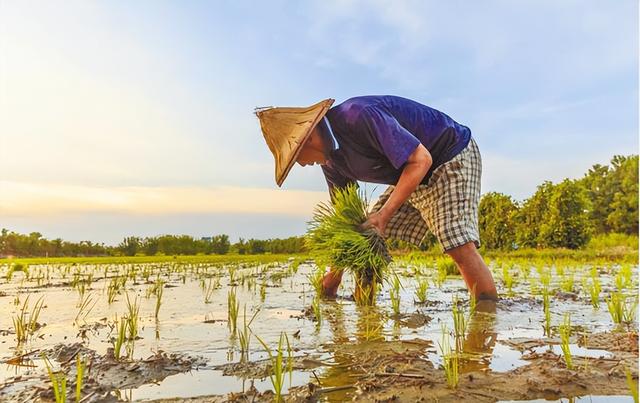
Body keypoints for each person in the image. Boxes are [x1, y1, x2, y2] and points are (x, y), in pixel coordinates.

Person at [255, 95, 497, 301]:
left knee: (456, 242)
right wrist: (335, 272)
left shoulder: (358, 116)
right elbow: (347, 225)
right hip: (411, 171)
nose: (302, 164)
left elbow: (421, 159)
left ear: (307, 139)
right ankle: (367, 320)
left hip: (449, 154)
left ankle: (486, 320)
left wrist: (383, 215)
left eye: (296, 157)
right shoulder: (330, 162)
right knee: (366, 240)